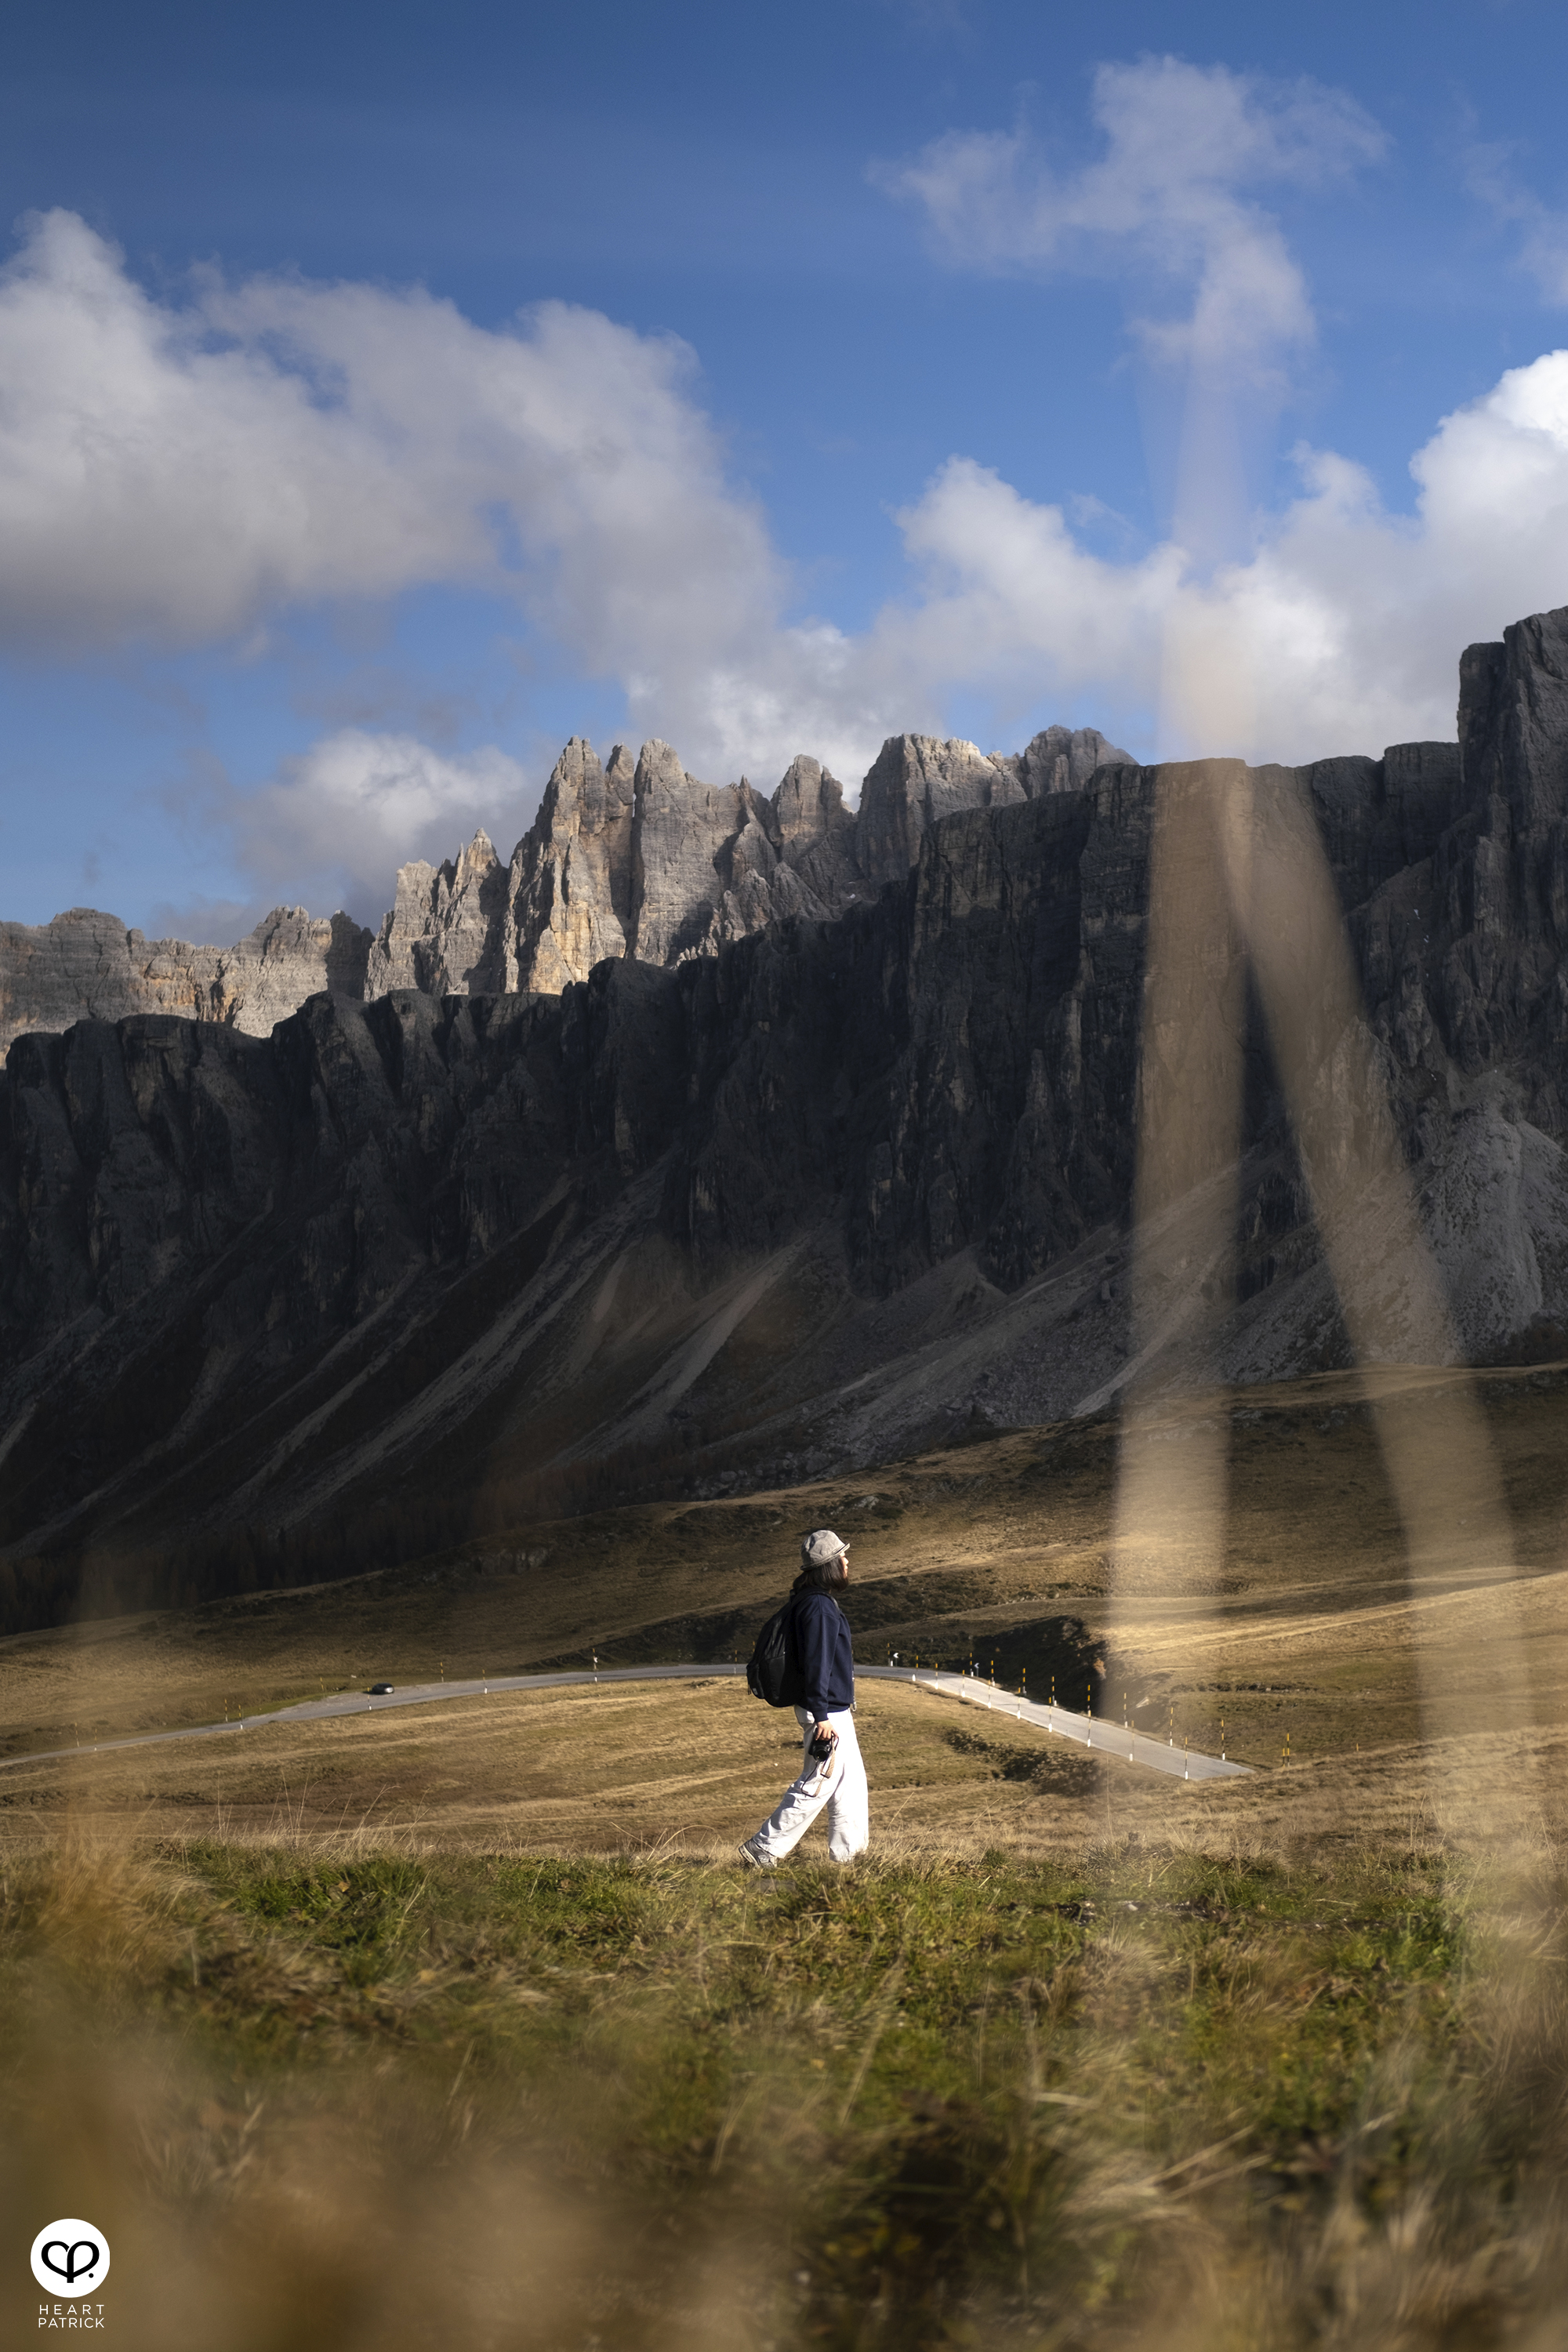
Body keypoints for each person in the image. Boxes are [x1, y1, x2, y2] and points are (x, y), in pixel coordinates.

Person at [739, 1528, 869, 1867]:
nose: (847, 1560)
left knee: (849, 1784)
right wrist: (822, 1715)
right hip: (826, 1712)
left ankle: (849, 1858)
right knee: (819, 1782)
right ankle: (764, 1847)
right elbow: (817, 1664)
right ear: (829, 1565)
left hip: (831, 1709)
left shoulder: (810, 1601)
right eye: (842, 1556)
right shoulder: (819, 1608)